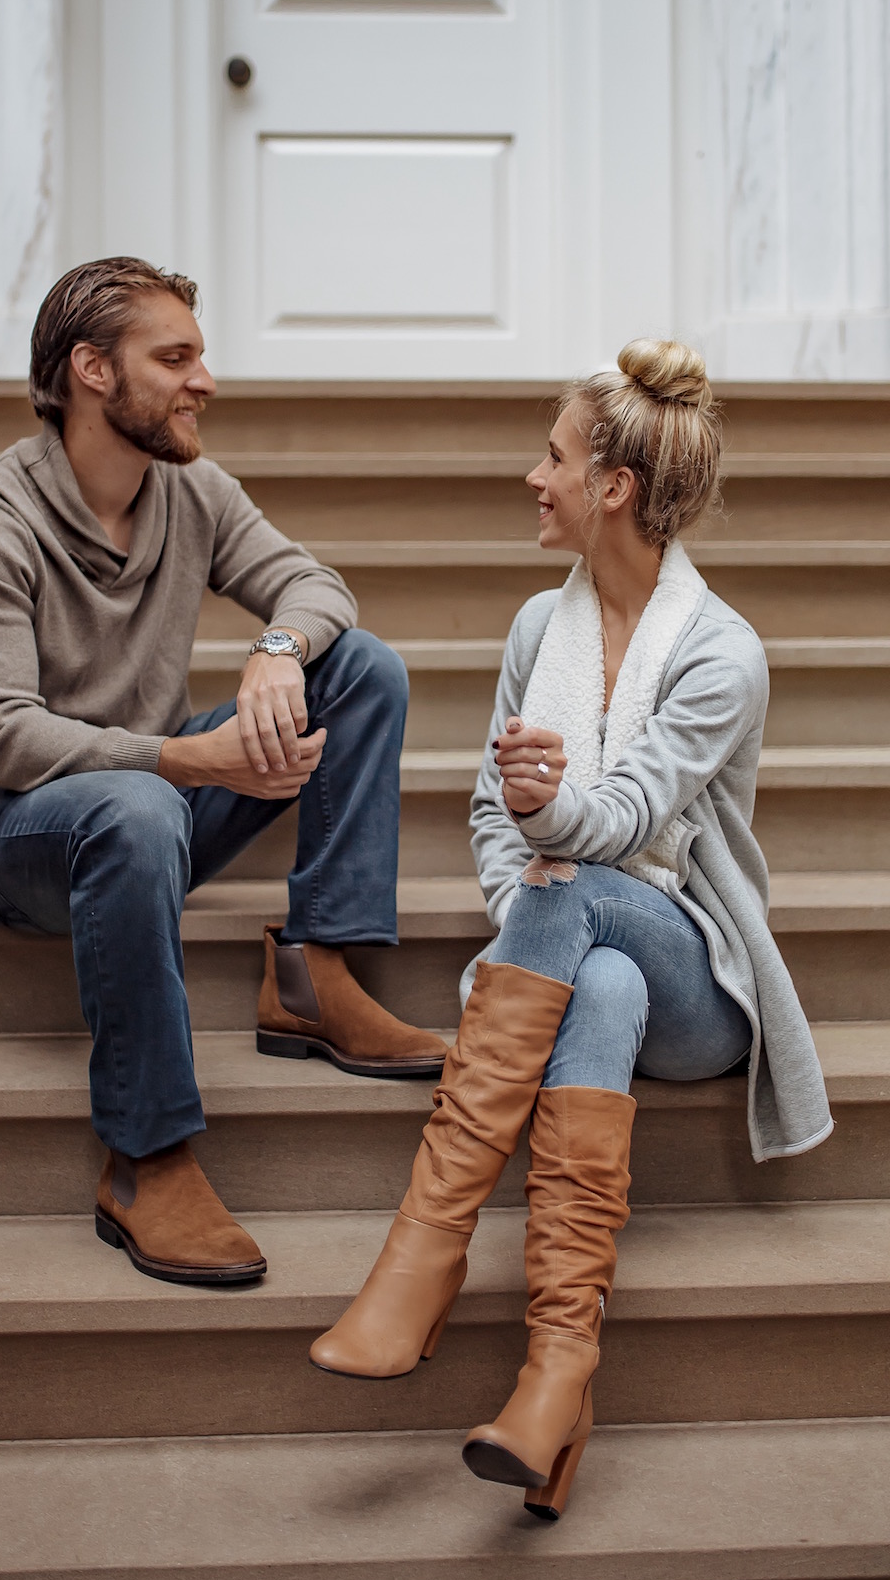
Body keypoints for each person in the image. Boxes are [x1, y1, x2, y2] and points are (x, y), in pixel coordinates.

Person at [308, 338, 833, 1519]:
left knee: (580, 903)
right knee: (588, 980)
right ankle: (557, 1377)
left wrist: (546, 826)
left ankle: (424, 1247)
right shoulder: (536, 632)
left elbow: (627, 816)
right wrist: (527, 887)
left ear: (615, 490)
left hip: (698, 973)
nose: (530, 477)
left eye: (552, 457)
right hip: (588, 960)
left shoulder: (720, 655)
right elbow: (497, 824)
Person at [0, 257, 447, 1288]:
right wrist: (183, 758)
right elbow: (8, 742)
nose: (206, 380)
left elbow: (311, 584)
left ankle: (316, 970)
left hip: (149, 809)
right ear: (92, 372)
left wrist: (277, 651)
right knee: (132, 809)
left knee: (361, 668)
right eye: (176, 358)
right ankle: (147, 1154)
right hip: (5, 830)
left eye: (200, 356)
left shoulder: (191, 492)